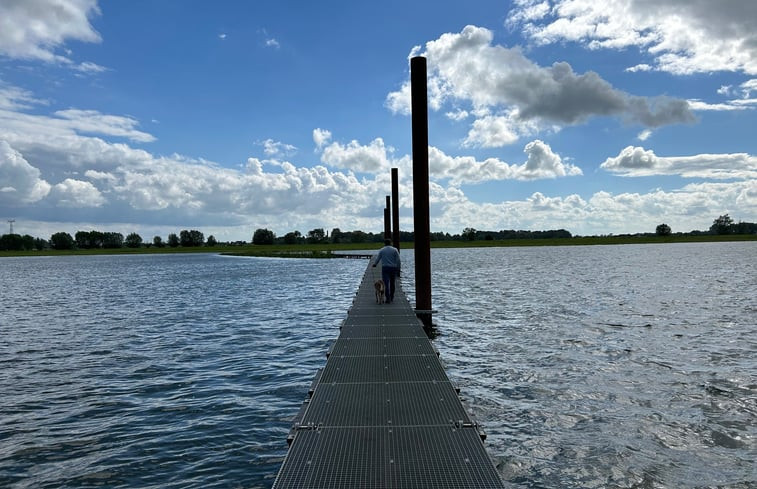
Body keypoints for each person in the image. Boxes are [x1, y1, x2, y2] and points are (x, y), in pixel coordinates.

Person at [372, 239, 401, 303]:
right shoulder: (395, 250)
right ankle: (392, 297)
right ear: (391, 243)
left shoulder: (382, 250)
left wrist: (375, 264)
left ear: (384, 243)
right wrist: (398, 268)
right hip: (393, 268)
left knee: (385, 284)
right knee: (392, 283)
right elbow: (398, 260)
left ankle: (388, 298)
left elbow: (378, 258)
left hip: (385, 268)